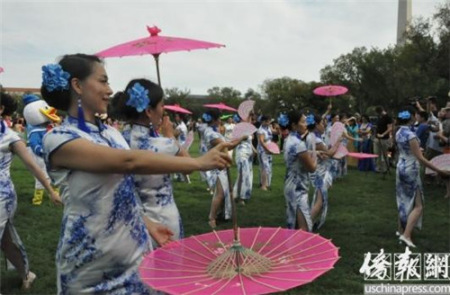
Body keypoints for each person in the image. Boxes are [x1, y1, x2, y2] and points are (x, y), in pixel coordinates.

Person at [40, 54, 230, 294]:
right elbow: (128, 162)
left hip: (134, 254)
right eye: (103, 81)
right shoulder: (59, 139)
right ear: (77, 85)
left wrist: (147, 222)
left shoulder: (112, 133)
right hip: (90, 263)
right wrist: (200, 163)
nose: (110, 90)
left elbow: (125, 188)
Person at [111, 78, 189, 247]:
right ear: (148, 111)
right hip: (163, 218)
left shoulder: (116, 140)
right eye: (161, 105)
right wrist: (170, 136)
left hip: (127, 222)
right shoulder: (163, 144)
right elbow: (189, 166)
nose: (163, 111)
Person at [1, 91, 61, 290]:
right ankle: (26, 274)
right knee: (7, 240)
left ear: (1, 109)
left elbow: (33, 165)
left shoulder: (10, 137)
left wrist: (50, 190)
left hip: (2, 198)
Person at [395, 108, 448, 248]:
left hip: (401, 166)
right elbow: (420, 158)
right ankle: (406, 235)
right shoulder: (411, 135)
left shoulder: (399, 132)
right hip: (411, 169)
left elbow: (407, 150)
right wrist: (439, 170)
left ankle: (400, 230)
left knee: (402, 200)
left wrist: (417, 151)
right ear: (411, 118)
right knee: (418, 205)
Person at [278, 111, 317, 231]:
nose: (306, 124)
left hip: (290, 184)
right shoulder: (299, 144)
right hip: (298, 188)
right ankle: (299, 249)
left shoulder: (288, 140)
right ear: (294, 125)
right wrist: (315, 155)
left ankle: (292, 249)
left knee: (293, 223)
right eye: (303, 122)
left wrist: (310, 153)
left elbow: (298, 158)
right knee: (304, 229)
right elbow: (312, 168)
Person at [233, 113, 257, 205]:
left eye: (251, 117)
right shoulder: (238, 127)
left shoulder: (248, 127)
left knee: (246, 175)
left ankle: (236, 195)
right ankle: (241, 197)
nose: (250, 119)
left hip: (249, 154)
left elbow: (250, 141)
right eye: (249, 117)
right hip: (241, 153)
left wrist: (254, 150)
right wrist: (242, 137)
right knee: (243, 175)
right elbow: (234, 141)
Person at [257, 115, 276, 190]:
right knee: (264, 167)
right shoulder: (260, 130)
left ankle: (266, 183)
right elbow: (261, 141)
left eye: (269, 121)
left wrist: (277, 127)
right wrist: (266, 149)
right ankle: (263, 185)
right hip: (263, 150)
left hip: (269, 149)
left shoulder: (269, 128)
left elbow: (276, 132)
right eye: (267, 121)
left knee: (268, 167)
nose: (268, 122)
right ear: (263, 121)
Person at [374, 106, 393, 173]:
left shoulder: (388, 117)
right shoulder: (379, 117)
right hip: (377, 138)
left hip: (385, 139)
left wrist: (383, 134)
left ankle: (385, 168)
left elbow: (390, 128)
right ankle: (378, 168)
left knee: (385, 154)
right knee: (377, 153)